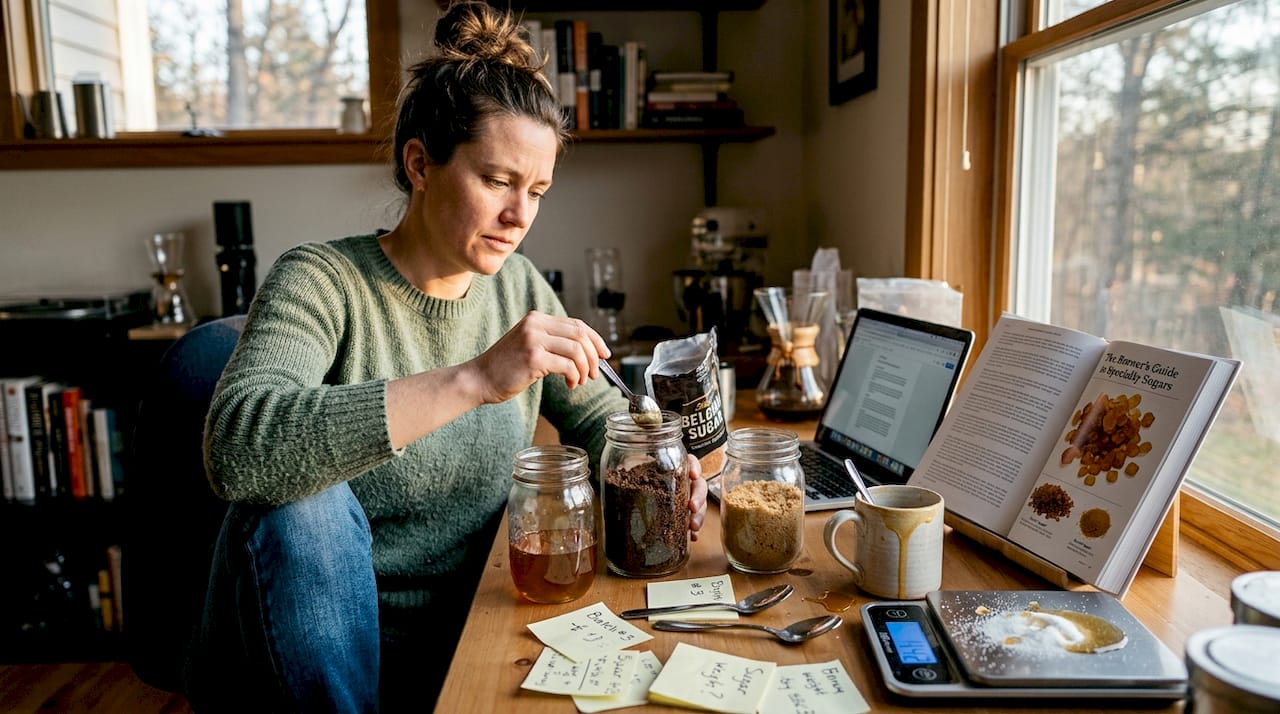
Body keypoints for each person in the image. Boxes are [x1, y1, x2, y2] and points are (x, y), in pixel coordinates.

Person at [183, 2, 708, 711]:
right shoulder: (319, 280)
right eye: (497, 181)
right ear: (420, 163)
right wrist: (474, 379)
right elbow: (240, 448)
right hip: (330, 653)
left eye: (537, 191)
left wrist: (664, 460)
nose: (520, 216)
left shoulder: (519, 286)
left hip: (478, 621)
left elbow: (599, 415)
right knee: (298, 505)